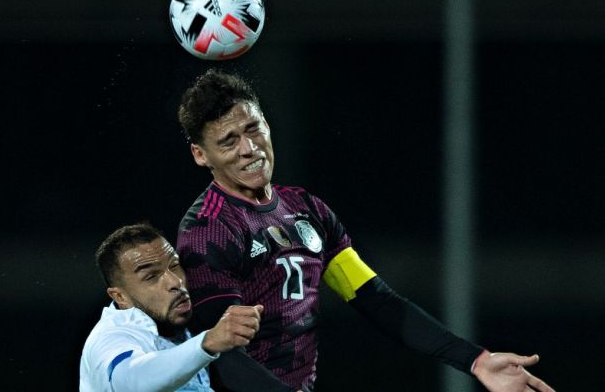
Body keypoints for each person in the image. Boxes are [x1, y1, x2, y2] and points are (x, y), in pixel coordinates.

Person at [175, 69, 555, 392]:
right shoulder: (209, 228)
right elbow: (221, 353)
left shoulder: (307, 210)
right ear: (199, 155)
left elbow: (376, 301)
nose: (249, 148)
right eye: (228, 141)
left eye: (252, 129)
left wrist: (476, 361)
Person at [79, 223, 265, 392]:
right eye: (151, 276)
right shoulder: (110, 337)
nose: (176, 282)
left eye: (174, 265)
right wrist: (207, 342)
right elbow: (130, 380)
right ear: (120, 297)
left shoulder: (184, 323)